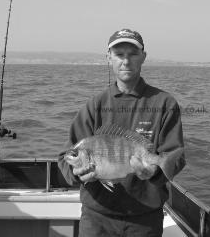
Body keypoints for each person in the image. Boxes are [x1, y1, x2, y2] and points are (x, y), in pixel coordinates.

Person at [58, 28, 186, 237]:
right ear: (108, 58)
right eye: (119, 54)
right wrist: (77, 173)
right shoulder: (94, 106)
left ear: (143, 57)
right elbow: (65, 158)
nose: (126, 61)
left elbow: (176, 156)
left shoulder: (165, 103)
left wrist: (154, 172)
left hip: (145, 220)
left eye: (133, 54)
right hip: (97, 220)